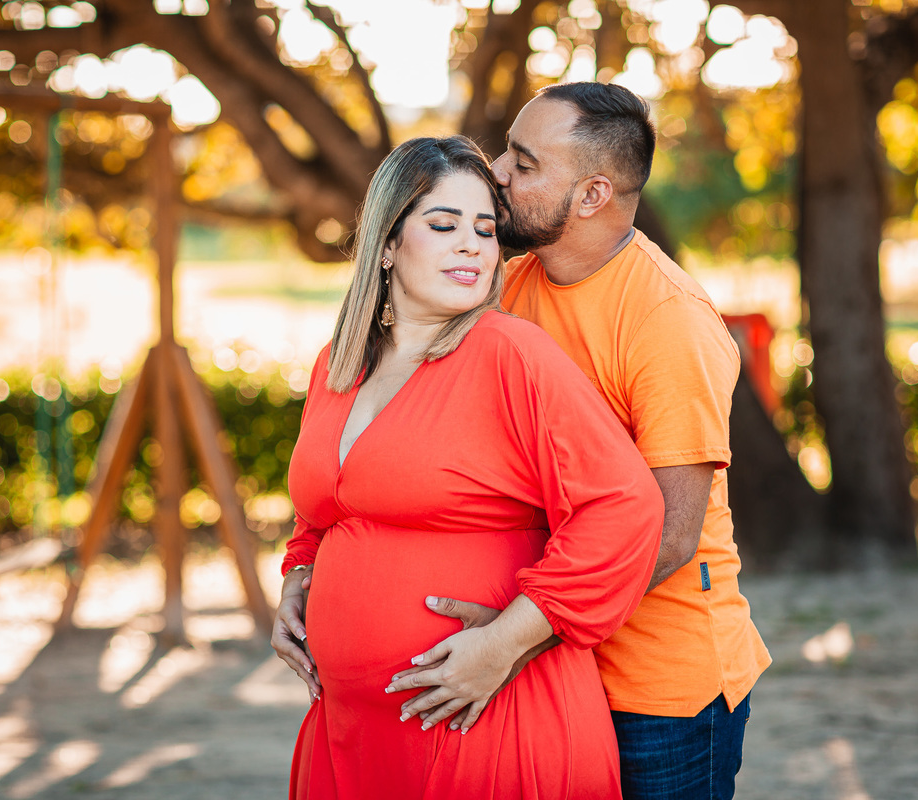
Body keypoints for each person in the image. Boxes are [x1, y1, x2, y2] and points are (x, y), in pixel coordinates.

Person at [385, 84, 771, 799]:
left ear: (593, 194)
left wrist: (509, 638)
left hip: (657, 691)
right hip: (546, 662)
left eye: (524, 163)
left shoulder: (669, 322)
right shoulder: (508, 284)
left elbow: (668, 536)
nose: (496, 172)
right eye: (507, 151)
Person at [270, 135, 665, 799]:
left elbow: (624, 508)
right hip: (355, 732)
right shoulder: (339, 363)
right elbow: (324, 510)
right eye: (443, 224)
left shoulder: (511, 355)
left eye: (485, 229)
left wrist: (505, 642)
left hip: (485, 719)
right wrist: (300, 576)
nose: (472, 245)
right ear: (388, 244)